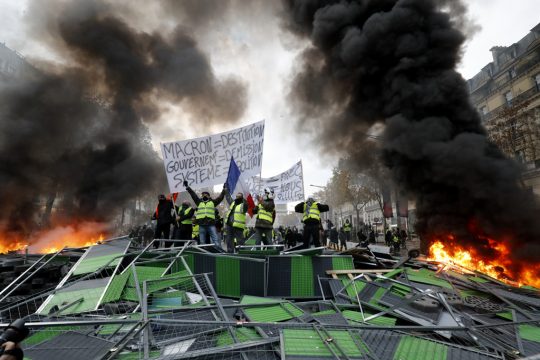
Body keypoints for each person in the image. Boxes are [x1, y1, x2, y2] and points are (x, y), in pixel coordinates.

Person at [185, 181, 227, 248]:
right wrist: (187, 187)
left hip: (211, 224)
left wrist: (224, 190)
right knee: (202, 241)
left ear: (209, 196)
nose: (204, 196)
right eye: (203, 195)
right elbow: (193, 195)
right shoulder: (198, 202)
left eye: (206, 195)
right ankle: (204, 253)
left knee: (215, 239)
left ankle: (218, 251)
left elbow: (220, 197)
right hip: (202, 224)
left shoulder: (213, 202)